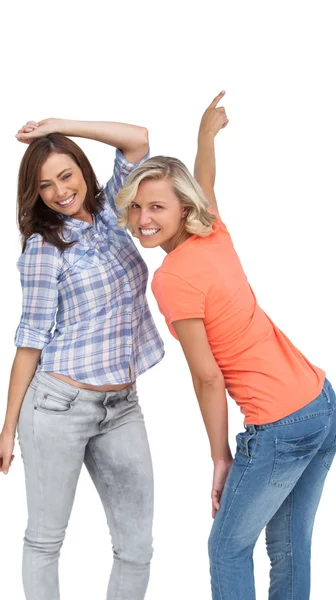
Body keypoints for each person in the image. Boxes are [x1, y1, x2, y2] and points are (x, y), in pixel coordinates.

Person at [115, 92, 336, 599]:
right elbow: (205, 179)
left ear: (182, 208)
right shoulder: (211, 229)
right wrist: (205, 134)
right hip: (321, 403)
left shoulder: (172, 279)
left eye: (157, 207)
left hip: (279, 423)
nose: (144, 219)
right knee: (289, 547)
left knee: (227, 549)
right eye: (137, 207)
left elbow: (207, 376)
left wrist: (220, 456)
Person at [0, 117, 164, 600]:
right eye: (44, 184)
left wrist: (58, 123)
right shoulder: (44, 247)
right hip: (56, 407)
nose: (58, 191)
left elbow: (138, 139)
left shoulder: (111, 211)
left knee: (137, 547)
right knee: (46, 540)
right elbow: (30, 340)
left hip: (122, 405)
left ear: (83, 172)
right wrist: (8, 428)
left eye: (66, 176)